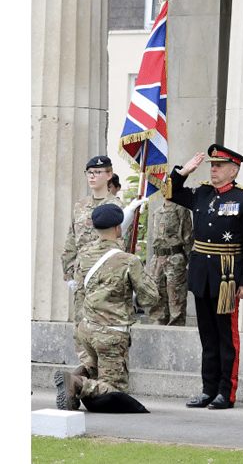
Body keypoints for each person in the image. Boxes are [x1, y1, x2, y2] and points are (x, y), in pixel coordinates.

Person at [168, 144, 243, 410]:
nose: (213, 170)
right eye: (212, 165)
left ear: (234, 171)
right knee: (207, 337)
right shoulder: (202, 193)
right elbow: (169, 192)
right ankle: (208, 390)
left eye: (219, 166)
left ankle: (226, 392)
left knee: (226, 337)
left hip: (227, 277)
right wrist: (184, 171)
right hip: (202, 274)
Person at [55, 204, 159, 410]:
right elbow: (150, 299)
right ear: (118, 228)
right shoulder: (128, 260)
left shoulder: (83, 254)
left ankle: (78, 379)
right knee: (116, 392)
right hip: (111, 334)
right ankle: (76, 383)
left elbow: (79, 294)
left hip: (87, 328)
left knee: (95, 371)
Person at [61, 156, 130, 364]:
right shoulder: (80, 206)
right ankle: (85, 372)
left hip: (105, 279)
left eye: (97, 172)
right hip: (82, 276)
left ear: (109, 175)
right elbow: (71, 241)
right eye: (89, 172)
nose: (92, 176)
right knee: (81, 328)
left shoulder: (117, 206)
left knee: (104, 327)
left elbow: (121, 245)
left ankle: (105, 376)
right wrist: (69, 274)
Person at [146, 199, 194, 326]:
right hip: (157, 259)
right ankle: (156, 329)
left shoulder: (181, 211)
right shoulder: (157, 212)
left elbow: (188, 237)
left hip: (174, 258)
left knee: (176, 298)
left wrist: (187, 262)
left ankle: (175, 332)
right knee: (156, 298)